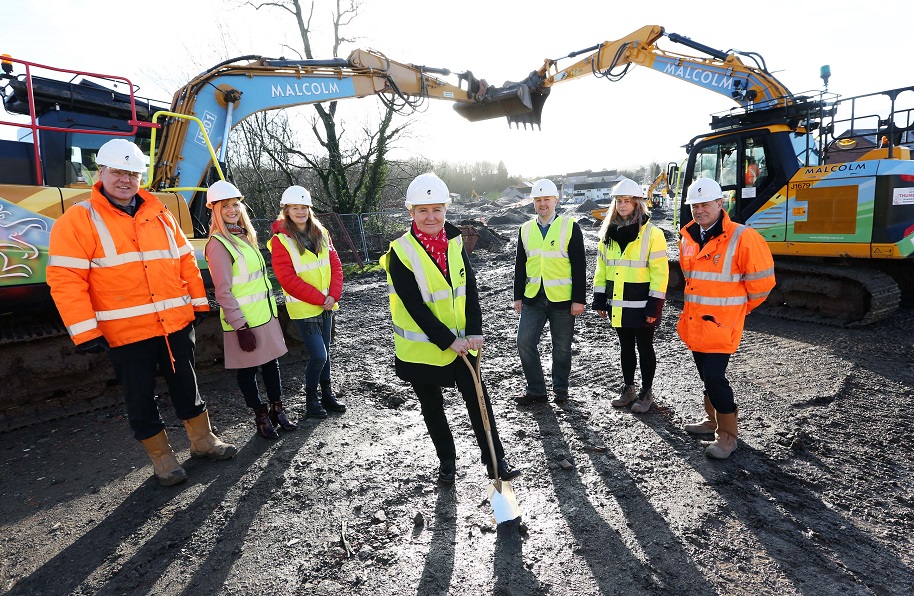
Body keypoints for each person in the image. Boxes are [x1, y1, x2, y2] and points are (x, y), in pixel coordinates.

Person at [46, 139, 237, 487]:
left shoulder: (161, 213)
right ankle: (163, 459)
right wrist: (85, 331)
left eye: (133, 173)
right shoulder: (78, 219)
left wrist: (197, 303)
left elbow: (185, 263)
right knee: (140, 398)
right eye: (118, 171)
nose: (125, 180)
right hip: (126, 333)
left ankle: (203, 441)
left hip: (175, 325)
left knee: (187, 385)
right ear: (100, 172)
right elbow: (65, 279)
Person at [380, 172, 520, 485]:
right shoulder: (399, 252)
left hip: (463, 344)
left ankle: (495, 462)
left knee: (479, 398)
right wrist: (447, 341)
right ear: (411, 212)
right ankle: (447, 461)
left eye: (437, 209)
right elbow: (414, 306)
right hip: (422, 349)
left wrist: (474, 329)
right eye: (423, 210)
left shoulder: (455, 242)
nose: (431, 216)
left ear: (445, 209)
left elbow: (469, 288)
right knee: (432, 408)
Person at [678, 177, 776, 459]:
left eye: (705, 204)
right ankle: (711, 422)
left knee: (715, 377)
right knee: (705, 377)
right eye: (695, 206)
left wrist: (736, 310)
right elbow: (691, 279)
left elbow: (762, 284)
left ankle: (727, 437)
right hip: (697, 323)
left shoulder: (742, 237)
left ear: (720, 204)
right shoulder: (689, 238)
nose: (699, 211)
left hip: (722, 325)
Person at [204, 180, 294, 440]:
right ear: (215, 210)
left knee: (271, 366)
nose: (232, 210)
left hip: (264, 316)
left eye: (235, 205)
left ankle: (278, 411)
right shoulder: (218, 244)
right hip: (242, 322)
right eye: (225, 206)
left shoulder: (244, 237)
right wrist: (240, 327)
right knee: (247, 372)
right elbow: (223, 291)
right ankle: (261, 417)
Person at [268, 185, 346, 419]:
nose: (300, 212)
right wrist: (322, 298)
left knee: (326, 353)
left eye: (304, 207)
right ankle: (310, 398)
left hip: (327, 304)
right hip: (305, 308)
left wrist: (334, 295)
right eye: (295, 208)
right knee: (319, 355)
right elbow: (288, 279)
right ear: (286, 211)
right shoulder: (281, 241)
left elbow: (336, 265)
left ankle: (327, 395)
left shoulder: (321, 233)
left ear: (309, 209)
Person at [593, 179, 669, 413]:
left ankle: (647, 392)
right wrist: (599, 298)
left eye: (627, 201)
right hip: (618, 301)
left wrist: (654, 306)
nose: (623, 205)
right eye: (619, 201)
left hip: (643, 303)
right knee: (625, 347)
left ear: (637, 203)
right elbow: (602, 268)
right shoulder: (608, 234)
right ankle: (629, 389)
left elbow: (660, 272)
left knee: (645, 347)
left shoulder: (652, 233)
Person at [513, 178, 587, 405]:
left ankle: (560, 389)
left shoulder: (570, 227)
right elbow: (520, 265)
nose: (542, 204)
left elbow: (579, 265)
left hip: (562, 299)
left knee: (562, 347)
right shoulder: (525, 230)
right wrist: (517, 296)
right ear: (533, 202)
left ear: (556, 200)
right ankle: (536, 390)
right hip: (533, 297)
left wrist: (579, 300)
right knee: (524, 341)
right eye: (538, 200)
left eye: (546, 199)